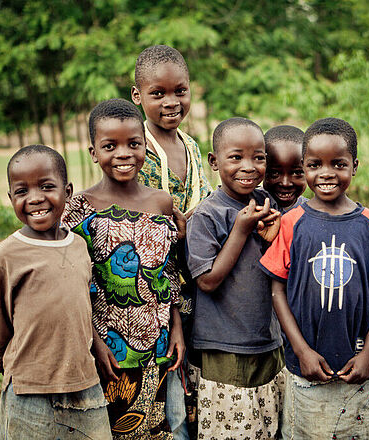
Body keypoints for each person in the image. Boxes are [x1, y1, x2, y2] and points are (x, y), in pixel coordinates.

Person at [260, 117, 369, 439]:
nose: (325, 173)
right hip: (307, 369)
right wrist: (301, 350)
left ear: (355, 166)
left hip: (360, 370)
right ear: (304, 166)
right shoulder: (292, 222)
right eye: (314, 164)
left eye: (338, 164)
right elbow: (277, 289)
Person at [62, 99, 186, 439]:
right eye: (110, 146)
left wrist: (176, 327)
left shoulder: (161, 202)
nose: (123, 153)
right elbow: (74, 283)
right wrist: (94, 342)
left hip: (156, 344)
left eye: (134, 144)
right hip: (106, 348)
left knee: (152, 427)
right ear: (93, 152)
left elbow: (167, 272)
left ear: (145, 145)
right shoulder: (79, 209)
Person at [0, 144, 112, 439]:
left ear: (67, 192)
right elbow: (0, 318)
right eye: (22, 191)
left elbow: (82, 305)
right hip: (29, 386)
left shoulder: (79, 245)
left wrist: (96, 345)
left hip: (83, 380)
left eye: (47, 186)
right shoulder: (7, 255)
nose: (35, 198)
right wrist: (2, 363)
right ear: (11, 198)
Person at [131, 44, 212, 439]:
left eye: (180, 90)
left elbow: (209, 208)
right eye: (157, 93)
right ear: (137, 96)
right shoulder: (134, 151)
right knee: (160, 395)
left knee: (194, 382)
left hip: (199, 285)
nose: (171, 102)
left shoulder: (194, 149)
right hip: (150, 293)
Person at [186, 117, 283, 439]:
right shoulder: (207, 215)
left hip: (268, 340)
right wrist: (240, 230)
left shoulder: (267, 203)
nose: (249, 166)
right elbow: (207, 281)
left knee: (268, 426)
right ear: (214, 162)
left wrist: (272, 239)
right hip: (224, 347)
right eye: (236, 156)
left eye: (258, 157)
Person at [263, 125, 307, 213]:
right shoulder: (248, 205)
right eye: (274, 173)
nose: (285, 183)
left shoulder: (313, 214)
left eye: (297, 173)